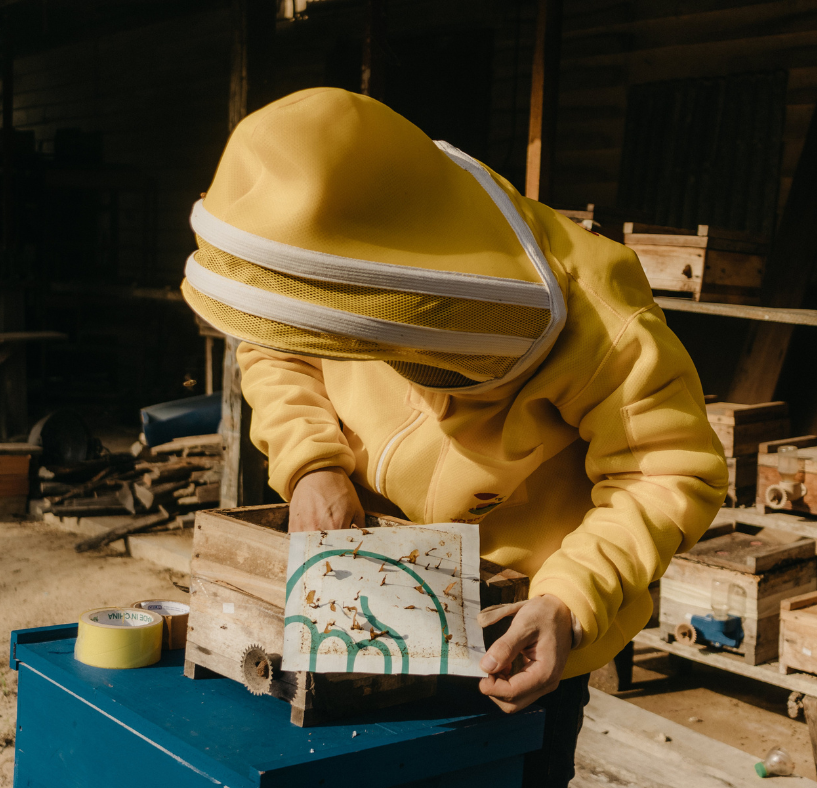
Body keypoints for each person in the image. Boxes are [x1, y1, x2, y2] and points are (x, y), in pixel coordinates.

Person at [181, 87, 728, 787]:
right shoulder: (336, 241)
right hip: (354, 600)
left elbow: (668, 471)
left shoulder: (602, 315)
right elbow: (273, 339)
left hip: (510, 634)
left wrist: (570, 601)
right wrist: (313, 463)